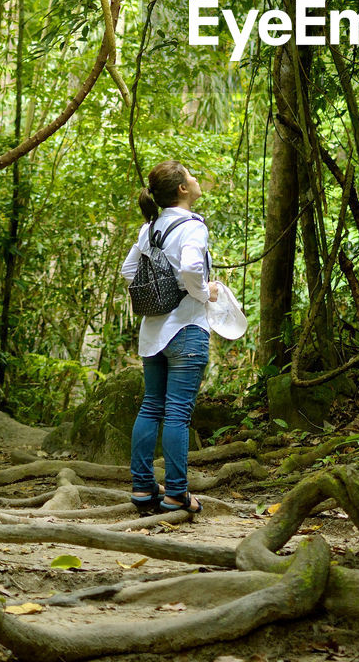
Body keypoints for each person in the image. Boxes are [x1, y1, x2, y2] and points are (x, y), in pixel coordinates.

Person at [121, 160, 218, 516]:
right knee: (177, 413)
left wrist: (156, 296)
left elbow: (129, 271)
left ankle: (143, 488)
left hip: (153, 332)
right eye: (191, 176)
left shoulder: (150, 228)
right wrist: (203, 292)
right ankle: (177, 493)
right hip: (187, 330)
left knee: (151, 407)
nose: (195, 180)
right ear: (182, 189)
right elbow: (193, 267)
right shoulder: (192, 226)